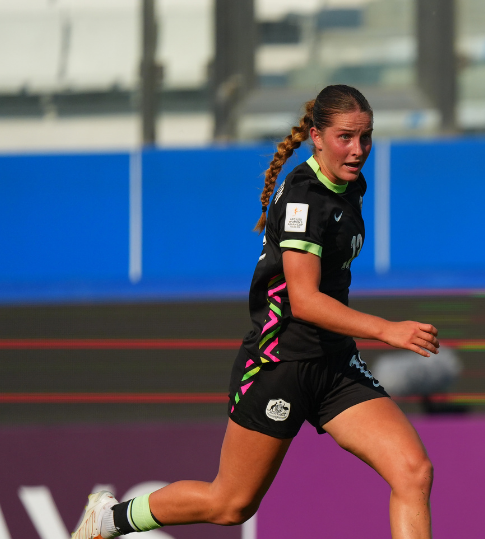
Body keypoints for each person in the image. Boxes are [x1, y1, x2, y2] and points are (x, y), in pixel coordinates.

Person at [71, 85, 439, 539]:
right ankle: (110, 518)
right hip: (279, 364)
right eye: (345, 137)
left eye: (366, 137)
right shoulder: (306, 198)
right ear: (316, 137)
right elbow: (303, 301)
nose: (358, 149)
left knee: (413, 471)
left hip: (333, 364)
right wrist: (387, 330)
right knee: (230, 504)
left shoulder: (349, 184)